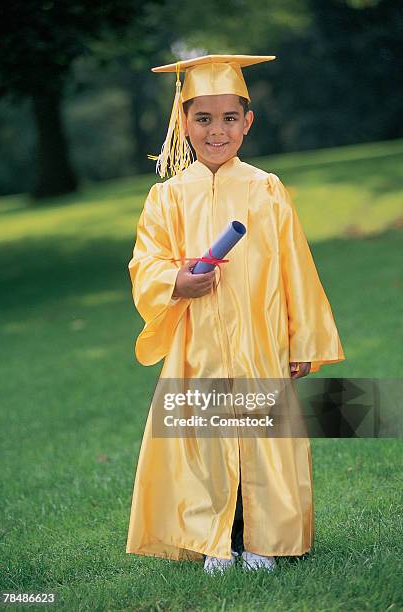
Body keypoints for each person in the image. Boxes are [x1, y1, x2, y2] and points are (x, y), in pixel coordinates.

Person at [125, 54, 345, 575]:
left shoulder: (266, 189)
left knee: (261, 440)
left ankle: (261, 541)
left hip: (261, 341)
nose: (216, 130)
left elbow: (297, 266)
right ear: (183, 122)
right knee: (204, 439)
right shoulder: (167, 198)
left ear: (248, 122)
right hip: (195, 342)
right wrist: (178, 280)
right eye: (203, 118)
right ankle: (213, 544)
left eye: (229, 118)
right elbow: (145, 261)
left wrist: (304, 340)